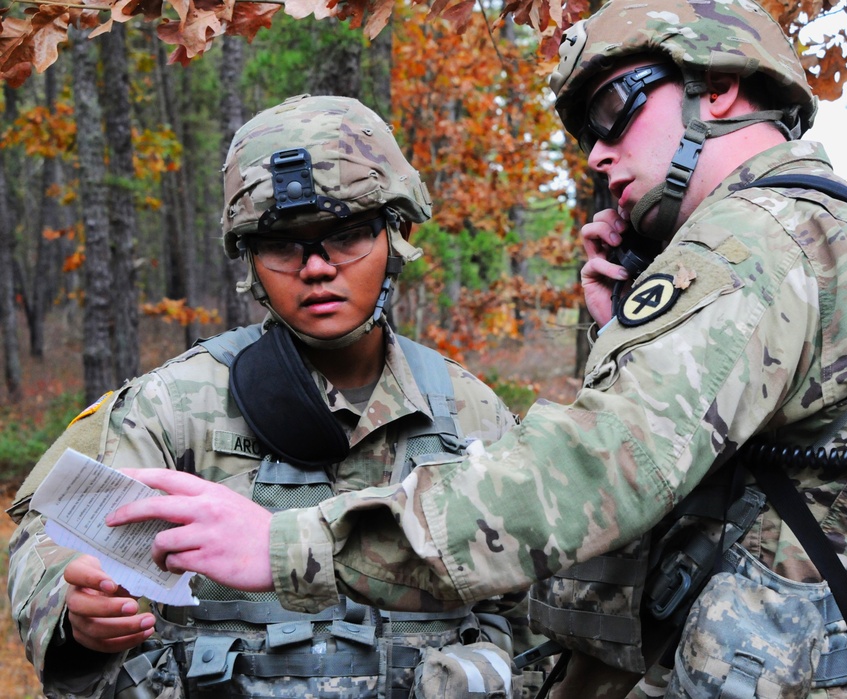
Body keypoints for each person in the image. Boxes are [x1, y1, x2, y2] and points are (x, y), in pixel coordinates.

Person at [96, 1, 847, 696]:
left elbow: (593, 471)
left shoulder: (753, 239)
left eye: (613, 107)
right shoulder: (825, 233)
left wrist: (286, 544)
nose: (598, 154)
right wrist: (625, 333)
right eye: (284, 244)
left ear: (722, 89)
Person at [5, 94, 540, 698]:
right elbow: (49, 539)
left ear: (397, 235)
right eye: (283, 244)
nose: (316, 268)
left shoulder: (471, 413)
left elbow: (533, 602)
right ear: (250, 261)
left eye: (346, 235)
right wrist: (74, 612)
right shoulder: (175, 404)